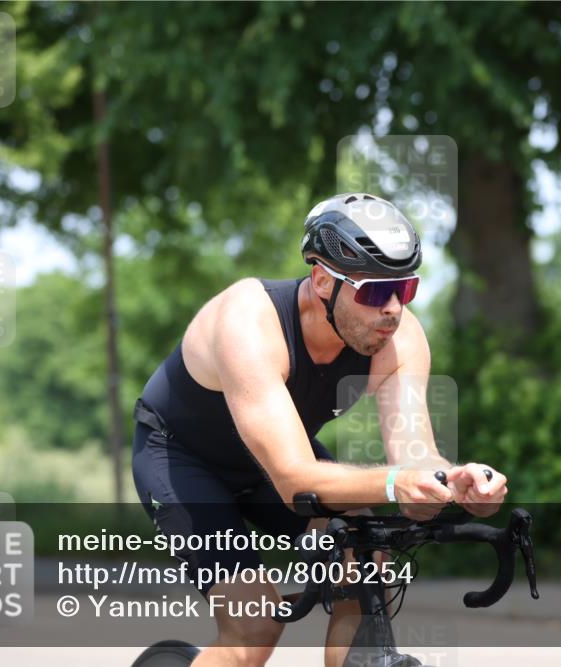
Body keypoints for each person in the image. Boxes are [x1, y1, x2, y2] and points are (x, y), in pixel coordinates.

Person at [132, 193, 508, 667]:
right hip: (183, 460)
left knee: (366, 554)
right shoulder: (249, 320)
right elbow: (296, 480)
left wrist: (452, 481)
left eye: (405, 290)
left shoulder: (398, 337)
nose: (393, 309)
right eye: (375, 292)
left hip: (269, 459)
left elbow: (416, 454)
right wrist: (395, 482)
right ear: (323, 279)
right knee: (255, 622)